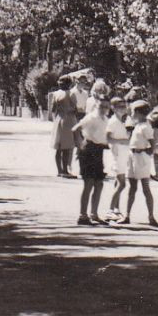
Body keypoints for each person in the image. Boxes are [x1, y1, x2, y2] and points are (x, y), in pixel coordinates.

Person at [72, 94, 111, 225]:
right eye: (101, 106)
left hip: (99, 151)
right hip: (88, 150)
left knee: (99, 183)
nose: (104, 108)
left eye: (106, 106)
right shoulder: (91, 117)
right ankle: (83, 215)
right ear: (96, 105)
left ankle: (94, 214)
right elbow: (75, 129)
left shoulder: (105, 119)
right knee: (88, 183)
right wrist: (80, 144)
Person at [123, 100, 158, 226]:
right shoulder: (137, 126)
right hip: (132, 156)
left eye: (134, 111)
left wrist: (145, 153)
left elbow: (152, 142)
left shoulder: (146, 126)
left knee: (146, 188)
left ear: (139, 113)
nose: (132, 114)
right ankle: (127, 215)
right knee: (132, 187)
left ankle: (151, 216)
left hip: (141, 158)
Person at [105, 94, 132, 219]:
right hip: (117, 154)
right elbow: (108, 138)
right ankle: (110, 209)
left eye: (124, 106)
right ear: (113, 108)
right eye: (120, 106)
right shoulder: (113, 121)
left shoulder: (123, 121)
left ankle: (116, 208)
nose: (123, 108)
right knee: (122, 184)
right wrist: (122, 141)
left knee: (118, 183)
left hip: (123, 154)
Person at [48, 76, 80, 178]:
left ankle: (60, 170)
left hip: (58, 120)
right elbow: (76, 109)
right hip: (69, 121)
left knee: (58, 146)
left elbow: (53, 109)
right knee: (67, 147)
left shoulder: (55, 94)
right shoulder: (71, 94)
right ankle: (65, 171)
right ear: (70, 84)